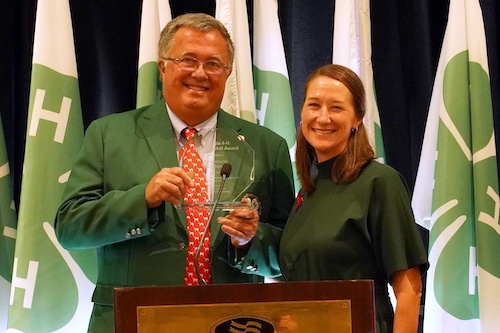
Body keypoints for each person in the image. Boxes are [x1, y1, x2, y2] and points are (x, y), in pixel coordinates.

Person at [55, 13, 294, 332]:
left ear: (227, 73)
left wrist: (250, 240)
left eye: (213, 64)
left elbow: (289, 255)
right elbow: (70, 227)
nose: (200, 72)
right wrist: (142, 200)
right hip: (133, 321)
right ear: (163, 66)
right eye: (188, 59)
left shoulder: (267, 146)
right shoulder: (109, 135)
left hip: (232, 322)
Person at [279, 64, 428, 333]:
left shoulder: (379, 181)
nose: (323, 118)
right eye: (314, 105)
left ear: (357, 118)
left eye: (336, 108)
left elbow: (410, 290)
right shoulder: (309, 189)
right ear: (302, 112)